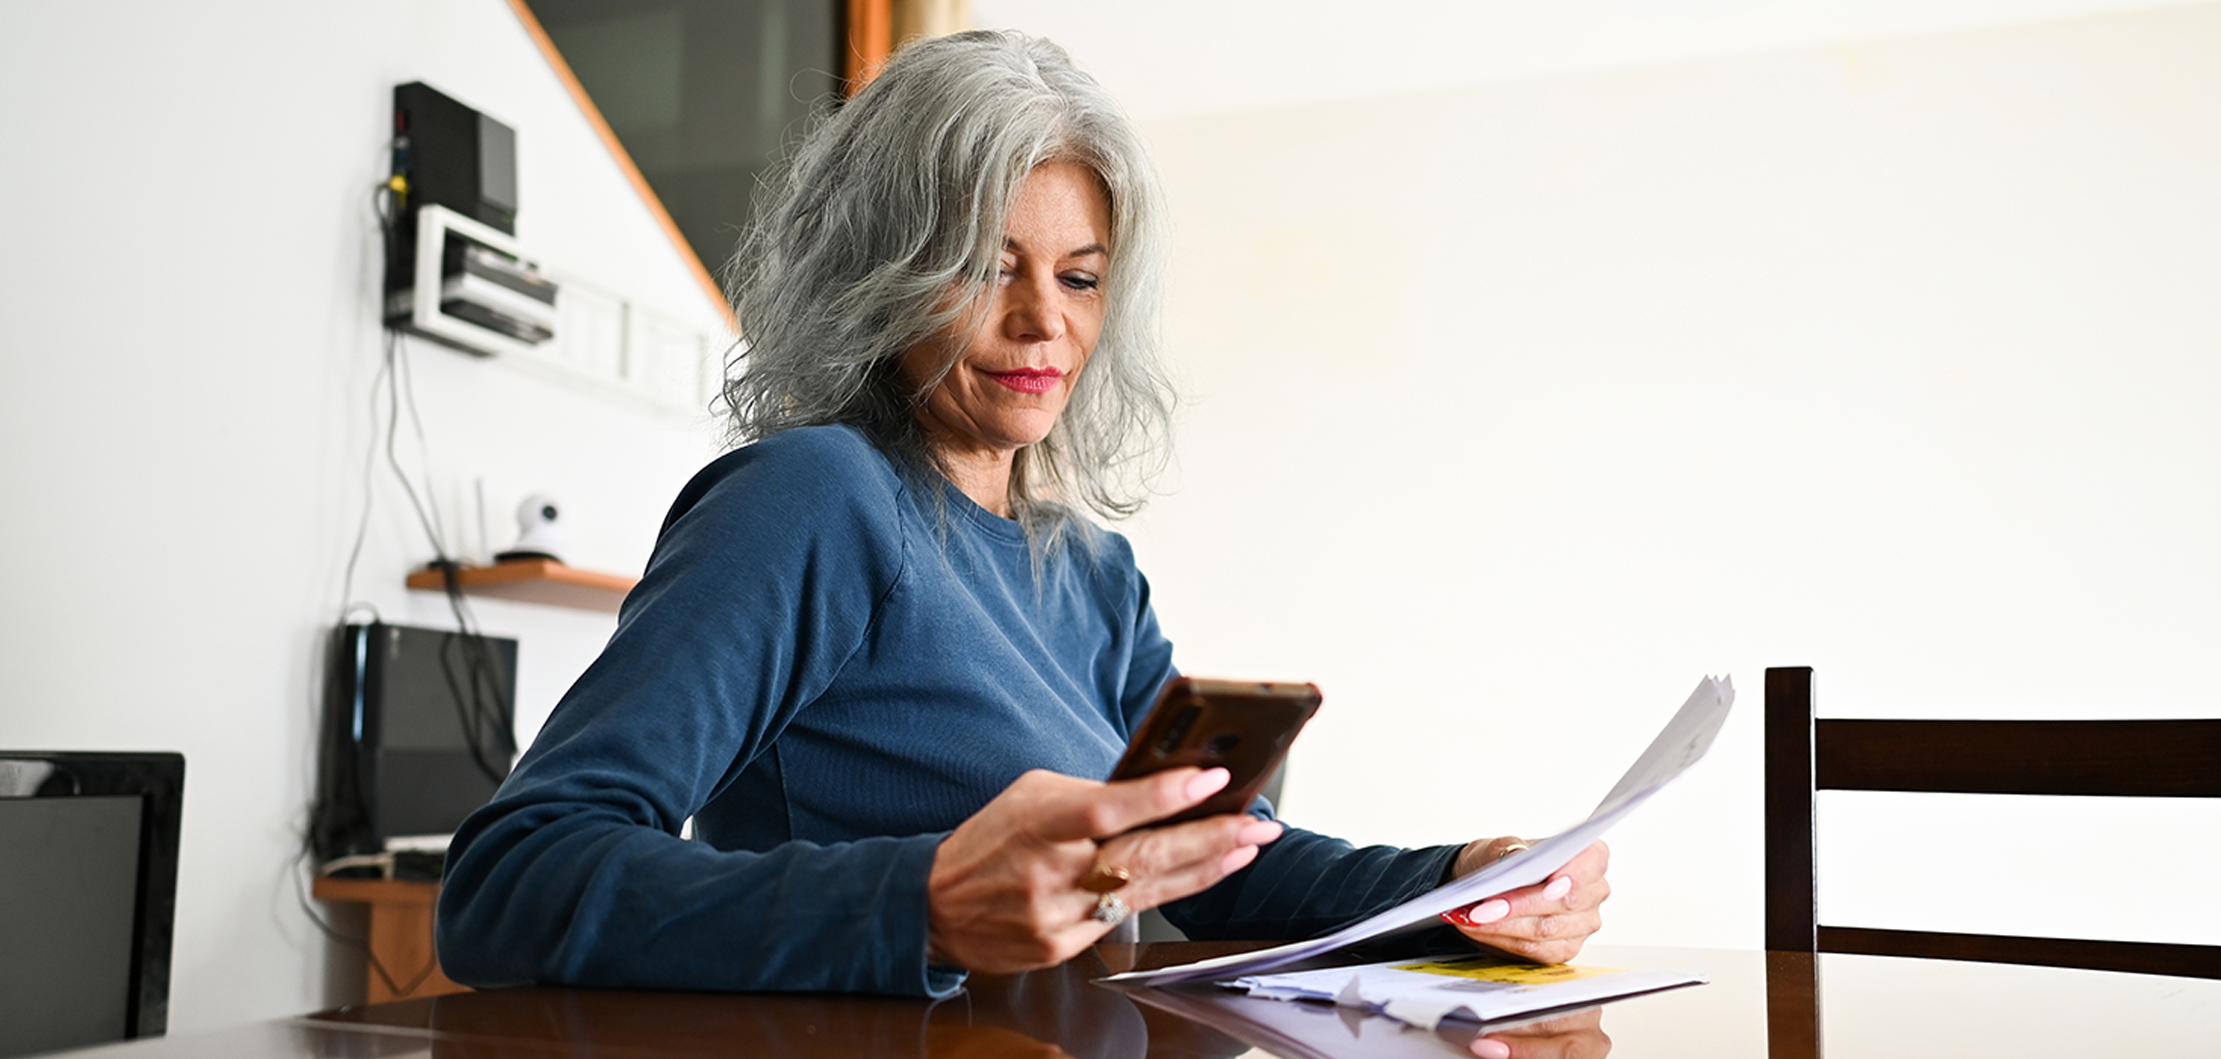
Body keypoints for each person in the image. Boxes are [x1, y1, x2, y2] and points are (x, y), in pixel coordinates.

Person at [435, 29, 1610, 999]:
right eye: (984, 266)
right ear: (878, 274)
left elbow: (1207, 870)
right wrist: (925, 903)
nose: (1043, 320)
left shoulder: (1095, 574)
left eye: (1080, 276)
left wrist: (1459, 885)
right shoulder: (815, 499)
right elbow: (508, 885)